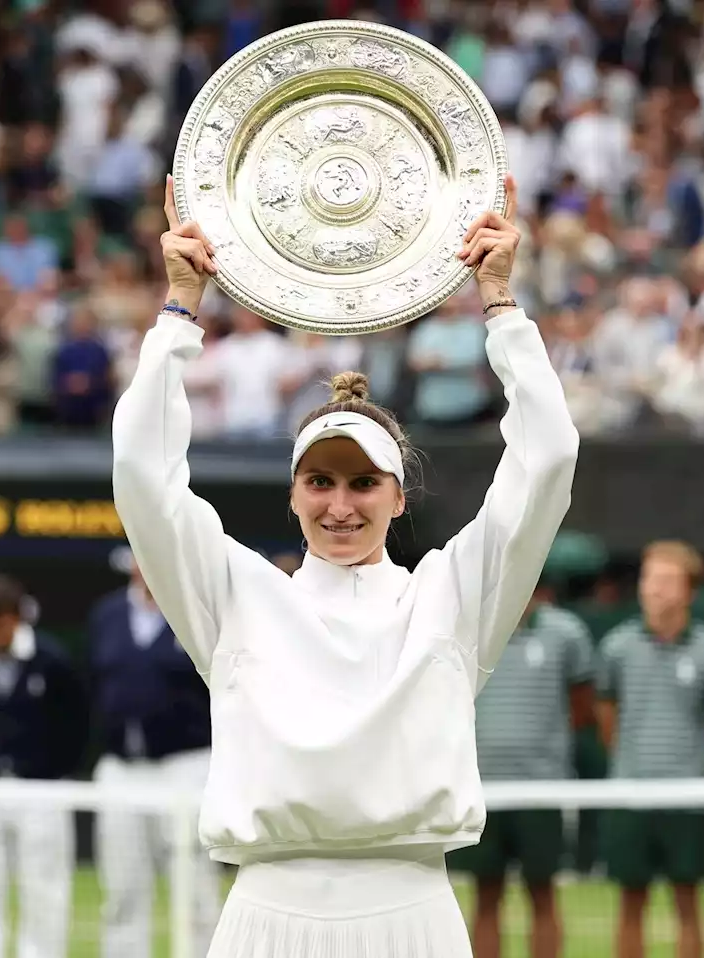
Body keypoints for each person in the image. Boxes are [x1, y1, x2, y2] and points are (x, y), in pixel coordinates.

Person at [109, 173, 578, 957]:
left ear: (400, 498)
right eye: (319, 481)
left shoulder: (452, 593)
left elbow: (550, 456)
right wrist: (179, 309)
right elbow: (140, 470)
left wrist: (499, 302)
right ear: (293, 494)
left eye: (364, 483)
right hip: (266, 914)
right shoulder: (236, 594)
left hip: (412, 916)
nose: (340, 505)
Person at [448, 561, 595, 958]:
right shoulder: (467, 632)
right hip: (482, 790)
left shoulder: (566, 634)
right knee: (486, 894)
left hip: (542, 791)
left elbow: (582, 708)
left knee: (543, 892)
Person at [595, 540, 704, 958]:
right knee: (630, 904)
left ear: (689, 590)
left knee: (687, 903)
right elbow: (607, 718)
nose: (653, 589)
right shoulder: (617, 647)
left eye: (666, 581)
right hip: (629, 794)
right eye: (649, 579)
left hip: (688, 798)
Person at [88, 557, 219, 957]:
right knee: (122, 886)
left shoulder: (197, 610)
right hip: (122, 767)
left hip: (186, 763)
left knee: (194, 883)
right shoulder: (107, 615)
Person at [0, 574, 88, 958]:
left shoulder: (53, 662)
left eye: (1, 622)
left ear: (18, 618)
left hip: (42, 791)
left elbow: (76, 725)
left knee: (44, 887)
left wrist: (52, 772)